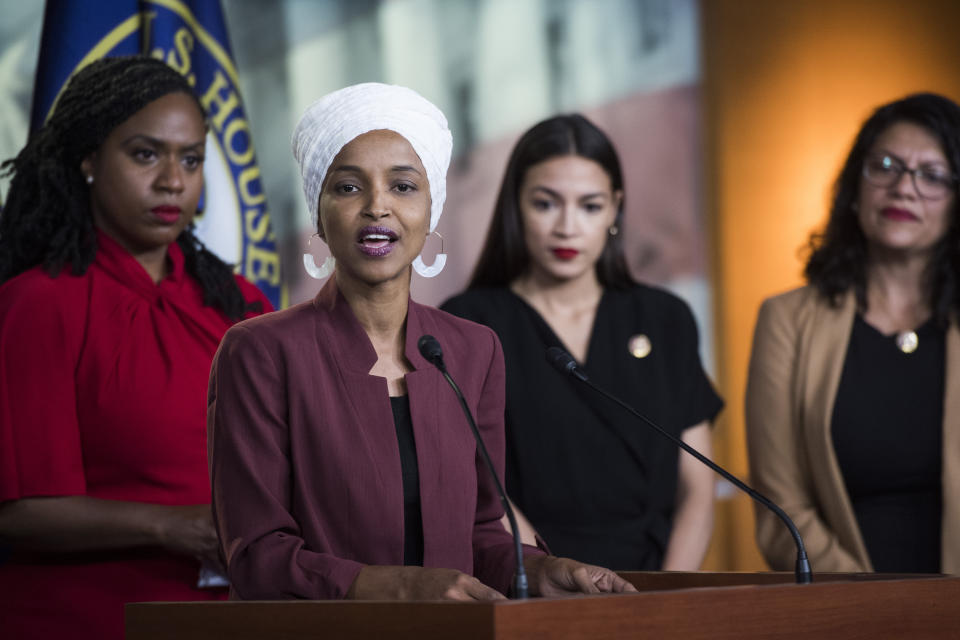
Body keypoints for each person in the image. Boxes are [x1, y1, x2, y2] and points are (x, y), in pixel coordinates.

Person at [208, 83, 635, 600]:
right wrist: (403, 588)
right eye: (347, 187)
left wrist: (543, 571)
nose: (377, 207)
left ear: (432, 210)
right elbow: (257, 555)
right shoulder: (259, 352)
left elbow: (481, 533)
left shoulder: (473, 350)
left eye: (404, 187)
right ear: (317, 213)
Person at [0, 56, 272, 640]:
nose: (173, 179)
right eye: (146, 154)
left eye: (191, 158)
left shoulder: (241, 304)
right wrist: (170, 528)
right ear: (90, 160)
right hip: (86, 620)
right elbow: (17, 511)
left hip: (237, 616)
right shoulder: (38, 306)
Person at [441, 114, 722, 571]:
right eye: (546, 204)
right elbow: (479, 485)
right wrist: (546, 575)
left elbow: (698, 487)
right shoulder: (470, 322)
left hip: (652, 584)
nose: (567, 227)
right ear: (516, 205)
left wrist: (667, 600)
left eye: (590, 206)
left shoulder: (665, 318)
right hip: (532, 582)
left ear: (615, 209)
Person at [746, 93, 960, 574]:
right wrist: (871, 606)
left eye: (932, 175)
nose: (904, 188)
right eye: (885, 166)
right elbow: (782, 509)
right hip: (843, 610)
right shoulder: (786, 320)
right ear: (855, 186)